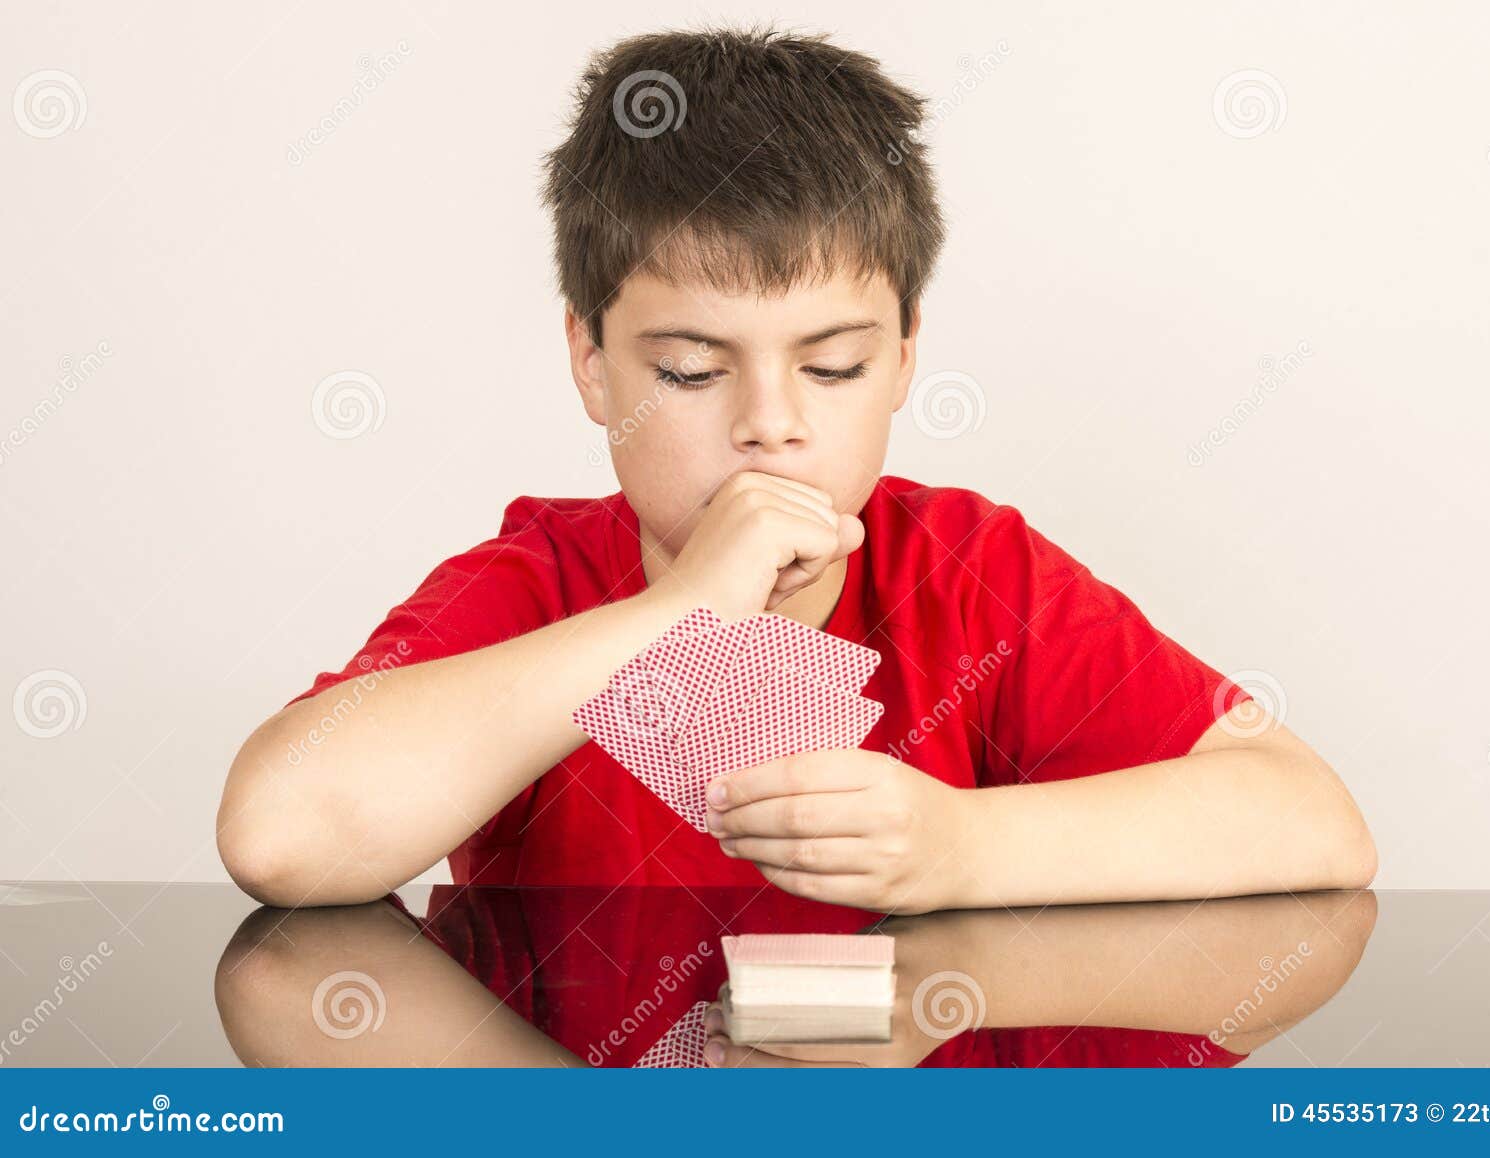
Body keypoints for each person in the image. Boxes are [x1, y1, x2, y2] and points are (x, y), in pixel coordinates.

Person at [216, 25, 1375, 912]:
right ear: (592, 363)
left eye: (830, 367)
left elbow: (1311, 823)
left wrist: (960, 849)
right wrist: (677, 613)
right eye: (686, 371)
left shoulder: (968, 573)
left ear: (904, 356)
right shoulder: (543, 583)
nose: (768, 426)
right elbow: (281, 832)